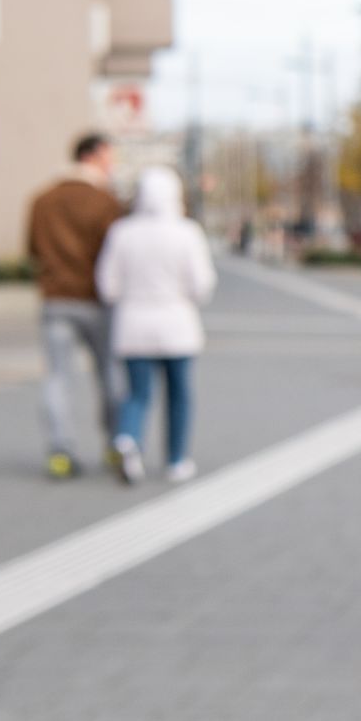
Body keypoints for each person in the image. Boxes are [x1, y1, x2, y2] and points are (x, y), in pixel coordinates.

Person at [96, 165, 216, 484]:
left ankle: (128, 439)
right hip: (177, 324)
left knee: (137, 394)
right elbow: (201, 285)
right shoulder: (187, 232)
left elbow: (107, 286)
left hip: (133, 324)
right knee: (178, 395)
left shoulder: (122, 231)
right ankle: (176, 460)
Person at [25, 133, 126, 480]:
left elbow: (33, 250)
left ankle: (60, 450)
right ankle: (116, 444)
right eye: (111, 156)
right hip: (96, 301)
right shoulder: (105, 201)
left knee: (56, 377)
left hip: (55, 298)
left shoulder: (42, 200)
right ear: (95, 155)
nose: (113, 163)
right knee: (110, 375)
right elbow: (117, 254)